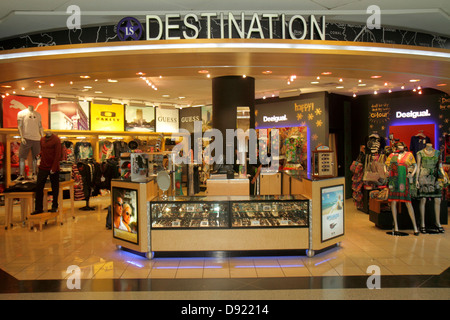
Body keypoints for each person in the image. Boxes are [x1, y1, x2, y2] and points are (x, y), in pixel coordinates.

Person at [385, 142, 419, 236]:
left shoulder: (409, 155)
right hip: (393, 179)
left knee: (408, 202)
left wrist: (412, 174)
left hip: (404, 179)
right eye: (398, 146)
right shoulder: (392, 155)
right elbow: (386, 165)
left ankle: (415, 227)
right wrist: (386, 171)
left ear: (404, 146)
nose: (400, 147)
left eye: (401, 145)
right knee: (393, 202)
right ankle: (396, 226)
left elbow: (415, 165)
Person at [415, 143, 448, 233]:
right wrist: (417, 180)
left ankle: (438, 222)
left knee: (438, 199)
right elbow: (418, 167)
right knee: (423, 199)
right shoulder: (420, 153)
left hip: (434, 176)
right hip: (423, 177)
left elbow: (440, 166)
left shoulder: (437, 153)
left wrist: (444, 175)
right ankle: (422, 223)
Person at [31, 132, 62, 215]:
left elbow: (57, 154)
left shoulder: (56, 140)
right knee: (39, 186)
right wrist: (39, 155)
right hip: (43, 166)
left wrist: (54, 167)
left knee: (55, 187)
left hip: (53, 166)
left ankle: (54, 206)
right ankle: (38, 208)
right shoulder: (42, 140)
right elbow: (43, 151)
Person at [17, 105, 44, 180]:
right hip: (26, 137)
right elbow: (19, 126)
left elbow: (40, 126)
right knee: (22, 156)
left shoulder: (38, 114)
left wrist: (42, 137)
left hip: (37, 139)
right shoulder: (21, 113)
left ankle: (34, 174)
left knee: (36, 157)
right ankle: (21, 175)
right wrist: (22, 137)